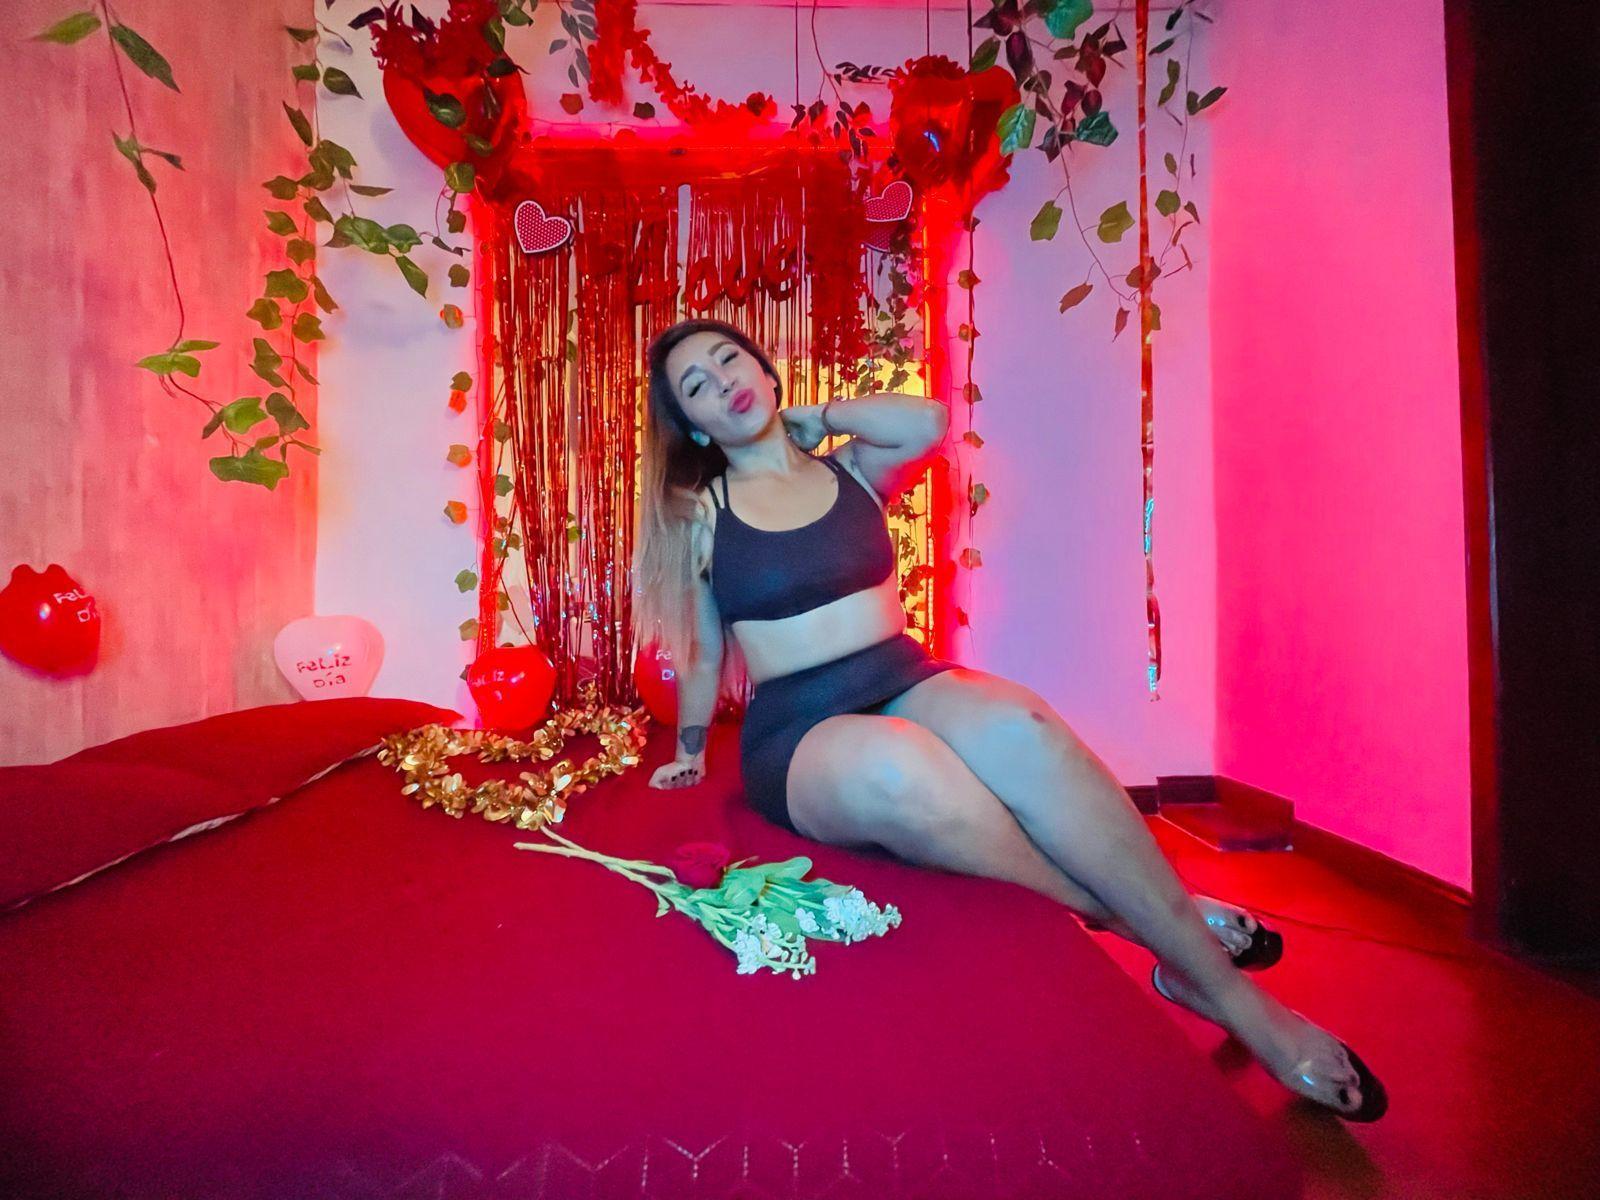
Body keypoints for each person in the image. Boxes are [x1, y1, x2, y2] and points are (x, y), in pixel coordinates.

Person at [630, 316, 1386, 1122]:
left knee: (1025, 725)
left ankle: (1203, 975)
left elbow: (927, 420)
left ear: (766, 368)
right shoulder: (702, 512)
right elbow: (704, 653)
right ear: (693, 426)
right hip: (799, 731)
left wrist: (819, 415)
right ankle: (1190, 963)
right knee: (900, 765)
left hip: (899, 674)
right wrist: (688, 747)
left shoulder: (852, 469)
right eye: (697, 386)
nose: (724, 382)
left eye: (730, 359)